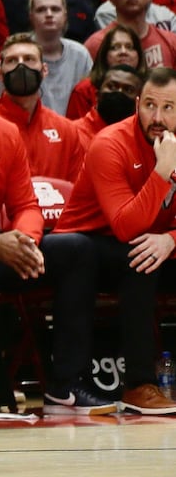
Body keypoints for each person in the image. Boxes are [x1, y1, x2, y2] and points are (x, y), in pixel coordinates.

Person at [0, 36, 110, 416]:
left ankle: (65, 387)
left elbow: (26, 204)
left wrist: (26, 242)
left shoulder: (4, 132)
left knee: (77, 249)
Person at [55, 65, 176, 415]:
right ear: (137, 104)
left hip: (150, 241)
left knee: (149, 250)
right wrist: (161, 171)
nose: (157, 116)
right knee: (139, 255)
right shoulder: (109, 143)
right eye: (150, 105)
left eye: (169, 108)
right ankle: (138, 384)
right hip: (88, 245)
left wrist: (170, 239)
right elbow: (125, 227)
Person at [0, 34, 88, 182]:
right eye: (12, 60)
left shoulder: (66, 130)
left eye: (29, 59)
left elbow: (76, 193)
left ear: (44, 70)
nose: (21, 66)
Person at [28, 0, 93, 116]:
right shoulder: (18, 53)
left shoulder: (80, 55)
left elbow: (90, 98)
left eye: (55, 9)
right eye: (41, 10)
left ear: (65, 15)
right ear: (31, 16)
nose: (49, 14)